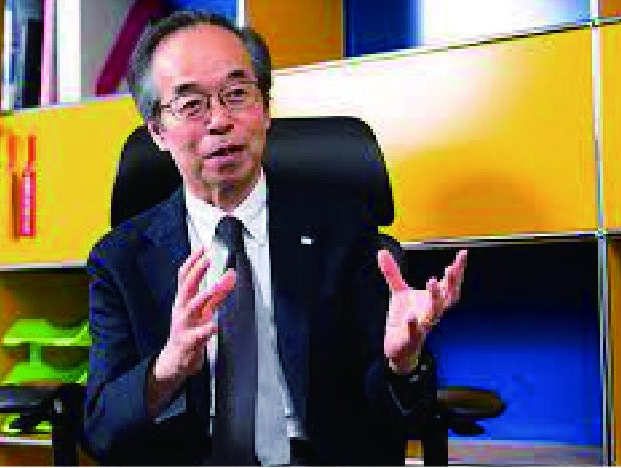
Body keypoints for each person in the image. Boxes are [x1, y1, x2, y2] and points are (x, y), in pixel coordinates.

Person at [84, 10, 467, 466]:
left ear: (265, 109)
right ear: (158, 132)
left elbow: (392, 416)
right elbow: (102, 432)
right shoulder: (120, 260)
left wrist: (401, 363)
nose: (219, 120)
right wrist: (168, 367)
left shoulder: (343, 231)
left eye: (236, 95)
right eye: (191, 105)